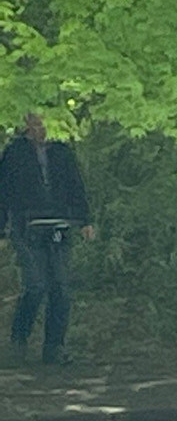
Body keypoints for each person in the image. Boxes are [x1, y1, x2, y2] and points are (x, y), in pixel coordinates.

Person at [0, 114, 95, 365]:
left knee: (61, 289)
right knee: (36, 285)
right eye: (36, 122)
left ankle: (54, 348)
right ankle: (18, 341)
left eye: (43, 122)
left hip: (59, 225)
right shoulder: (15, 152)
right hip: (27, 226)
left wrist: (85, 220)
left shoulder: (62, 151)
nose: (40, 127)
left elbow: (76, 185)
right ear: (26, 124)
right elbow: (4, 191)